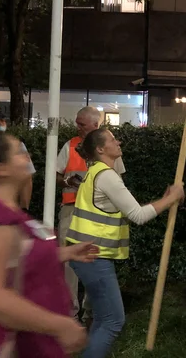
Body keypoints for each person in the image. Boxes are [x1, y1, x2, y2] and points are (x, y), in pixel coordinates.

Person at [0, 131, 95, 357]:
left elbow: (16, 257)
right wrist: (60, 325)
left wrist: (63, 253)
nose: (27, 158)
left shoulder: (4, 209)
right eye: (20, 153)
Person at [66, 128, 184, 358]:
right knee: (113, 321)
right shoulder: (108, 176)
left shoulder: (94, 172)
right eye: (112, 140)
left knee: (102, 318)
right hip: (93, 257)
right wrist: (171, 198)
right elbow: (138, 215)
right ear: (101, 149)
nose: (118, 142)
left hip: (86, 255)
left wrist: (167, 199)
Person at [55, 106, 125, 317]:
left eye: (81, 124)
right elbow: (55, 175)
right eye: (77, 122)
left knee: (94, 260)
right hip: (71, 209)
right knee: (69, 264)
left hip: (97, 216)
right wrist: (67, 180)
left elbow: (119, 181)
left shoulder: (109, 148)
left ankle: (90, 310)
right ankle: (71, 312)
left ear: (95, 125)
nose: (77, 127)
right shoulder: (70, 145)